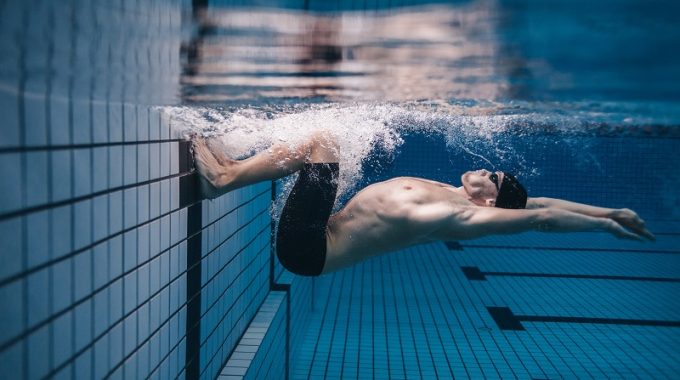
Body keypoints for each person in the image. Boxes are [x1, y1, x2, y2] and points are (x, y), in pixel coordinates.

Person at [192, 133, 655, 277]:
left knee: (322, 142)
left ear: (489, 199)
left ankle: (224, 178)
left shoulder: (461, 213)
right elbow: (544, 201)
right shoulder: (455, 191)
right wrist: (610, 212)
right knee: (324, 142)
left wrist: (602, 231)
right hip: (319, 231)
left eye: (492, 176)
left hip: (309, 249)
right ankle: (232, 167)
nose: (487, 168)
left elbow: (542, 218)